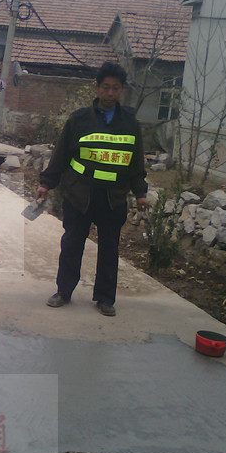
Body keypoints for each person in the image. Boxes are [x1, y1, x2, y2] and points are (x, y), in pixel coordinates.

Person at [36, 62, 147, 317]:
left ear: (121, 90)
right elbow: (61, 155)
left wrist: (140, 192)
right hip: (79, 194)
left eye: (115, 88)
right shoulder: (79, 120)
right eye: (105, 87)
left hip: (113, 197)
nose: (110, 93)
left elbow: (136, 161)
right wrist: (46, 183)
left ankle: (105, 298)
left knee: (109, 249)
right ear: (97, 88)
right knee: (72, 245)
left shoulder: (130, 123)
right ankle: (63, 291)